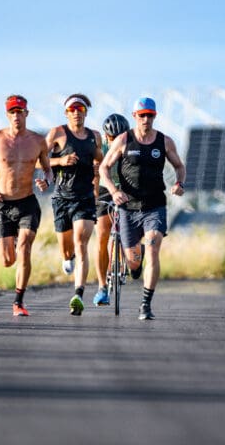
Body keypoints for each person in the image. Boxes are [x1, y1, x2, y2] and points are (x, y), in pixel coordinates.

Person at [99, 97, 186, 320]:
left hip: (154, 206)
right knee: (133, 262)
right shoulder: (123, 140)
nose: (146, 119)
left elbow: (179, 166)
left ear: (154, 116)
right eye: (142, 115)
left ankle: (145, 304)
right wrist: (113, 190)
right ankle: (136, 265)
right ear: (135, 116)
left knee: (154, 245)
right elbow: (104, 168)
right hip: (128, 208)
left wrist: (179, 183)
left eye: (150, 115)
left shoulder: (164, 142)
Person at [0, 95, 54, 317]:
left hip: (28, 202)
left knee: (25, 247)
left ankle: (18, 302)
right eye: (12, 112)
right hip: (3, 204)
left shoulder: (38, 141)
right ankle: (13, 244)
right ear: (7, 115)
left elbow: (48, 168)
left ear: (27, 113)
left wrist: (46, 180)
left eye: (20, 111)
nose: (17, 116)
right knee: (8, 260)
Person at [45, 94, 104, 316]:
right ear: (66, 113)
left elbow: (99, 160)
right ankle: (65, 257)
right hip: (61, 198)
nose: (76, 112)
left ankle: (78, 294)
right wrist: (60, 161)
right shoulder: (57, 133)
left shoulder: (94, 136)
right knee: (67, 249)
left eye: (80, 109)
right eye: (72, 109)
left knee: (81, 243)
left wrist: (98, 179)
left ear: (86, 112)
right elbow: (39, 158)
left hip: (85, 198)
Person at [92, 113, 142, 306]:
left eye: (120, 136)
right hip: (106, 191)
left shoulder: (133, 146)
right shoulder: (100, 148)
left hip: (128, 190)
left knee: (133, 229)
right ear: (106, 137)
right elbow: (94, 172)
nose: (115, 141)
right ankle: (102, 287)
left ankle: (136, 253)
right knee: (102, 236)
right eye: (111, 138)